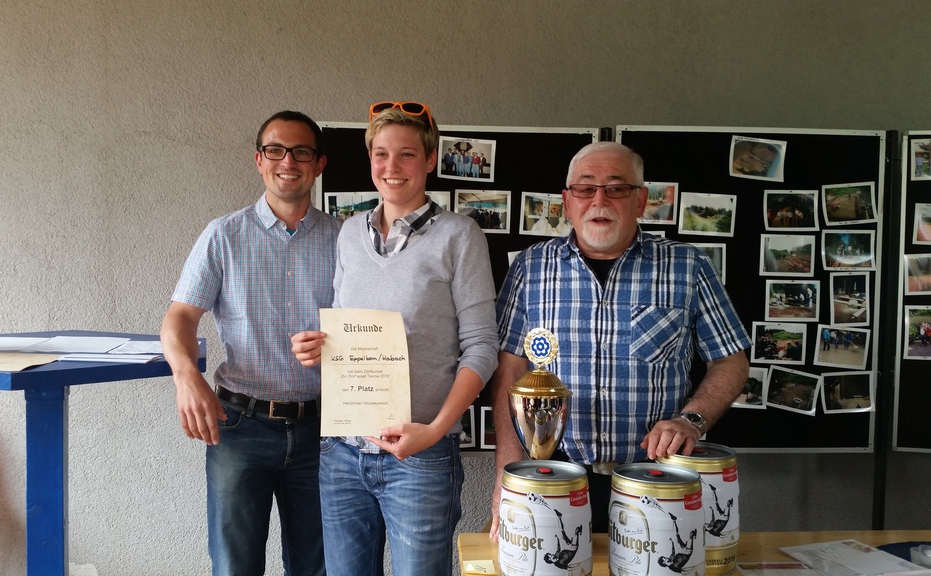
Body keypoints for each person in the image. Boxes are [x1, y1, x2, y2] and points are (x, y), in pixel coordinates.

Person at [490, 141, 751, 535]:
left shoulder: (688, 266)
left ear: (640, 200)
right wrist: (508, 473)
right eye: (585, 188)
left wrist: (691, 421)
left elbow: (730, 360)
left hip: (658, 479)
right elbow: (509, 369)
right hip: (552, 477)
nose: (599, 200)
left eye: (616, 188)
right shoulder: (531, 267)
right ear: (567, 201)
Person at [291, 102, 498, 575]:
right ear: (370, 159)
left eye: (407, 154)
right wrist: (319, 349)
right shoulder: (348, 233)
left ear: (430, 159)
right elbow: (346, 331)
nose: (392, 167)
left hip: (421, 454)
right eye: (381, 154)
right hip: (343, 451)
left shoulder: (459, 235)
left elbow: (482, 347)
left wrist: (436, 429)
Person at [160, 110, 339, 576]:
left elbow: (367, 327)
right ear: (259, 160)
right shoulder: (223, 235)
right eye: (275, 150)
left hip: (324, 430)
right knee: (234, 566)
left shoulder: (346, 241)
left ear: (319, 164)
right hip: (241, 426)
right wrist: (186, 377)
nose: (288, 161)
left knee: (318, 567)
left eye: (301, 152)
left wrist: (338, 347)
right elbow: (179, 318)